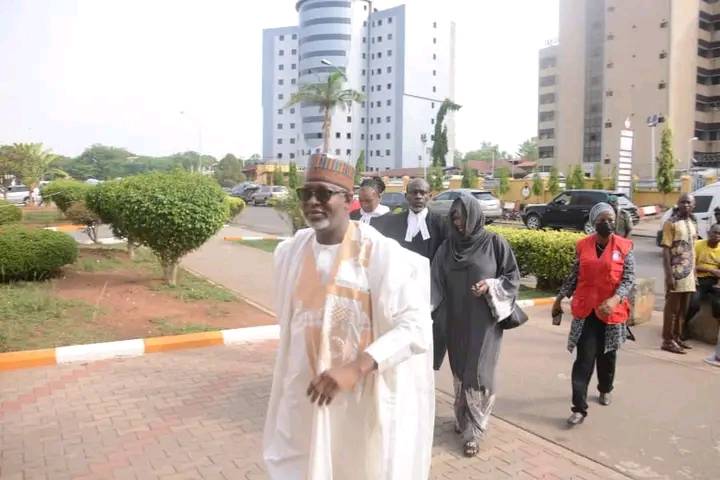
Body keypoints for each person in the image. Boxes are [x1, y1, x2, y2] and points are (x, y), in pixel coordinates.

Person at [263, 154, 434, 480]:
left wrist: (356, 367)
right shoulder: (291, 253)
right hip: (304, 393)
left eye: (324, 193)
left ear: (348, 199)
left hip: (359, 399)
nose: (312, 201)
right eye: (306, 193)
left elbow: (416, 327)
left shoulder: (380, 253)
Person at [431, 194, 520, 457]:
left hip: (484, 324)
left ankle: (474, 431)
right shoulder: (447, 248)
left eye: (462, 217)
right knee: (460, 372)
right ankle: (463, 418)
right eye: (454, 218)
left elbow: (511, 277)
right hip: (455, 321)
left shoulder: (494, 243)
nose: (458, 223)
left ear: (474, 216)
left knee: (480, 374)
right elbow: (434, 282)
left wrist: (490, 286)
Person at [552, 202, 635, 426]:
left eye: (610, 219)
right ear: (593, 222)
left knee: (607, 357)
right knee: (584, 360)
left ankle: (605, 388)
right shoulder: (583, 246)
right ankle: (579, 408)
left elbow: (628, 279)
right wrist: (559, 299)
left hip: (611, 313)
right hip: (586, 312)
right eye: (601, 220)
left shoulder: (624, 247)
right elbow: (574, 276)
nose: (606, 224)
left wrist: (616, 299)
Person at [373, 178, 449, 369]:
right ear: (406, 196)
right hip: (399, 290)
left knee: (428, 337)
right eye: (414, 192)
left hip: (430, 291)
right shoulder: (392, 222)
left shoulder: (441, 224)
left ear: (429, 196)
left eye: (422, 193)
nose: (418, 196)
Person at [660, 193, 697, 354]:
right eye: (683, 202)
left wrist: (695, 273)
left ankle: (677, 337)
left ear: (694, 205)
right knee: (672, 309)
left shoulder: (692, 222)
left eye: (689, 203)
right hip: (676, 272)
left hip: (689, 273)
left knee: (683, 309)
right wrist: (669, 275)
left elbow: (693, 249)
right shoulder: (671, 223)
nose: (686, 205)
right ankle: (667, 340)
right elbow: (666, 250)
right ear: (678, 204)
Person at [685, 223, 720, 337]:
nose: (717, 235)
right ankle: (684, 328)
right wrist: (710, 270)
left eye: (719, 234)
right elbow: (690, 265)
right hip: (699, 280)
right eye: (715, 232)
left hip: (715, 282)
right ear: (709, 233)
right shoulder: (698, 245)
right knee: (693, 304)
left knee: (718, 304)